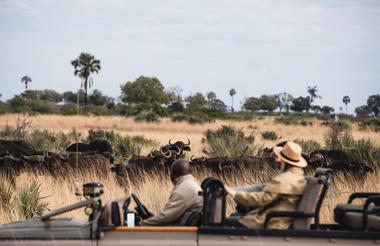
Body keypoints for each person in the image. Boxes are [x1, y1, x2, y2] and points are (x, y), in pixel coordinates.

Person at [224, 141, 308, 229]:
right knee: (235, 216)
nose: (277, 159)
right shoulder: (296, 176)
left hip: (271, 222)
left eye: (280, 158)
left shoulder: (285, 180)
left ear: (286, 161)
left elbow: (261, 199)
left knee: (225, 222)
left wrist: (233, 193)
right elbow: (263, 187)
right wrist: (234, 190)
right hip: (276, 218)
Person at [140, 159, 203, 226]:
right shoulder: (190, 184)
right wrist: (151, 217)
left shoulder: (184, 188)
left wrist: (141, 224)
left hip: (184, 234)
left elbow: (166, 217)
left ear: (173, 174)